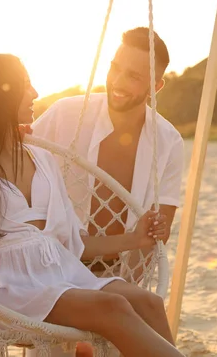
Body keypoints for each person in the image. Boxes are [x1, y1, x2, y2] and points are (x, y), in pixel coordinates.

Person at [0, 54, 184, 357]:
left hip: (60, 272)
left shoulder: (42, 159)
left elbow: (71, 244)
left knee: (149, 303)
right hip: (8, 288)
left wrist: (134, 239)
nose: (36, 93)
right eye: (26, 85)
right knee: (112, 307)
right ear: (0, 95)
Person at [30, 27, 184, 274]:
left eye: (133, 77)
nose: (118, 82)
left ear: (155, 87)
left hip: (115, 274)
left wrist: (127, 287)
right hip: (48, 268)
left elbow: (156, 233)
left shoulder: (169, 141)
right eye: (115, 68)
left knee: (148, 309)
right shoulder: (66, 114)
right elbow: (12, 157)